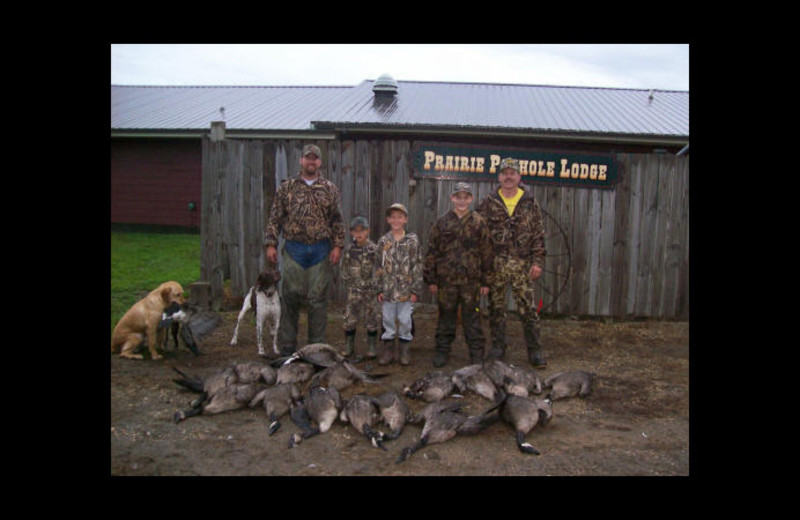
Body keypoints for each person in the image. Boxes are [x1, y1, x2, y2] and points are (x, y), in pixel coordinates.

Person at [264, 144, 345, 356]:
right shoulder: (287, 187)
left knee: (318, 301)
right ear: (302, 161)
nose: (311, 161)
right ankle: (287, 348)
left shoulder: (330, 189)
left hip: (320, 251)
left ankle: (316, 349)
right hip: (294, 249)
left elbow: (337, 220)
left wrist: (337, 246)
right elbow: (275, 217)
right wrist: (271, 243)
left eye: (315, 159)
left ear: (320, 162)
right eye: (308, 158)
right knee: (290, 297)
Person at [476, 158, 547, 367]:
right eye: (504, 173)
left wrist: (538, 262)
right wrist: (483, 267)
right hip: (496, 266)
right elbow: (480, 236)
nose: (508, 177)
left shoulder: (530, 202)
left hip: (522, 266)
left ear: (519, 177)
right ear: (499, 177)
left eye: (512, 173)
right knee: (496, 309)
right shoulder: (488, 202)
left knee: (528, 310)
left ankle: (535, 351)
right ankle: (498, 348)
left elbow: (538, 235)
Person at [423, 182, 494, 367]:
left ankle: (477, 354)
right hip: (446, 281)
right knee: (446, 317)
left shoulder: (479, 223)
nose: (462, 200)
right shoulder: (442, 222)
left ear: (471, 199)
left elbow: (487, 253)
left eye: (466, 197)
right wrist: (431, 279)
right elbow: (432, 252)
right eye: (458, 197)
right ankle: (442, 351)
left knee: (472, 319)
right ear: (452, 198)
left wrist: (486, 281)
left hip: (471, 282)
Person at [375, 203, 423, 366]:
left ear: (406, 219)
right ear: (388, 219)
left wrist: (415, 289)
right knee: (387, 319)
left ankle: (404, 349)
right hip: (388, 290)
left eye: (400, 217)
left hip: (405, 290)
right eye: (393, 217)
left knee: (404, 320)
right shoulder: (383, 241)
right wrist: (379, 289)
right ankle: (388, 349)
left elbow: (417, 265)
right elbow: (378, 267)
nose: (396, 220)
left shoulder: (412, 241)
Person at [341, 215, 381, 359]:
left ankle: (371, 347)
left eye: (362, 230)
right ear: (351, 232)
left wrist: (376, 285)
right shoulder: (349, 249)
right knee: (349, 318)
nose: (359, 234)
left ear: (368, 231)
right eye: (355, 231)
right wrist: (347, 281)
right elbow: (344, 267)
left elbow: (379, 269)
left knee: (371, 317)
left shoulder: (374, 249)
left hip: (370, 290)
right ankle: (349, 346)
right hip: (354, 290)